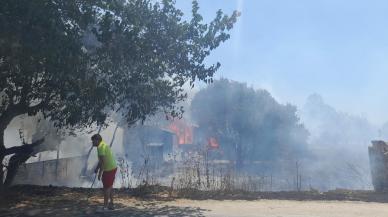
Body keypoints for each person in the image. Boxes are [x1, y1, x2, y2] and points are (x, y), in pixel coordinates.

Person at [91, 134, 117, 211]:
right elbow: (101, 161)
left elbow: (103, 162)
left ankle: (105, 207)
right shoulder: (103, 144)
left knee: (106, 188)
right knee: (110, 186)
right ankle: (111, 205)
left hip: (108, 169)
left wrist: (100, 173)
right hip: (113, 167)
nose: (92, 142)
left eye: (93, 141)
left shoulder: (100, 147)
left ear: (97, 140)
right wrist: (96, 168)